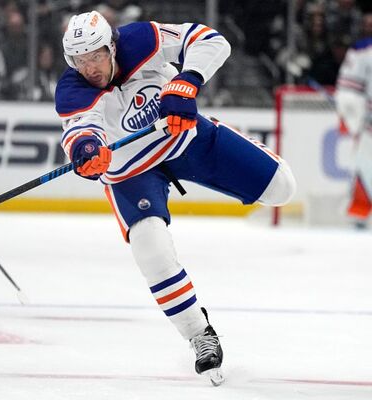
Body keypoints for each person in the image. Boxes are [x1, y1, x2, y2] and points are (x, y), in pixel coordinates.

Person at [54, 11, 297, 385]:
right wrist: (88, 151)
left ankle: (243, 147)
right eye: (80, 60)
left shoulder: (143, 39)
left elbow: (214, 41)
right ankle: (200, 336)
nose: (90, 68)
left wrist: (187, 80)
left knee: (282, 188)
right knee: (150, 248)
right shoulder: (74, 89)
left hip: (186, 140)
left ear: (112, 46)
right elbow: (79, 131)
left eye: (96, 56)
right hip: (131, 173)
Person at [335, 29, 372, 228]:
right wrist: (357, 121)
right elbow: (348, 93)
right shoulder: (363, 50)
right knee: (365, 172)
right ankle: (359, 216)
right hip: (370, 130)